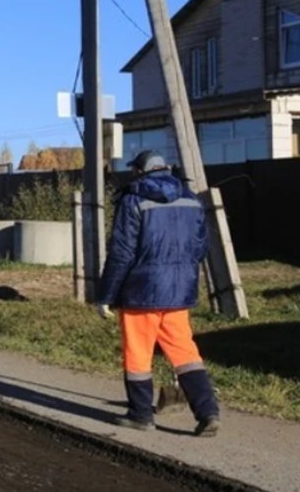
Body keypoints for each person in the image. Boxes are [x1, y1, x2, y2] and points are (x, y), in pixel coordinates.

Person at [95, 149, 221, 437]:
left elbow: (122, 253)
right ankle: (208, 413)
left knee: (138, 355)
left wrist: (106, 295)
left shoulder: (133, 199)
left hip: (141, 292)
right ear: (166, 168)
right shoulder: (190, 198)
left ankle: (141, 415)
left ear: (139, 171)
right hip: (179, 291)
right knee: (185, 353)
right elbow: (201, 247)